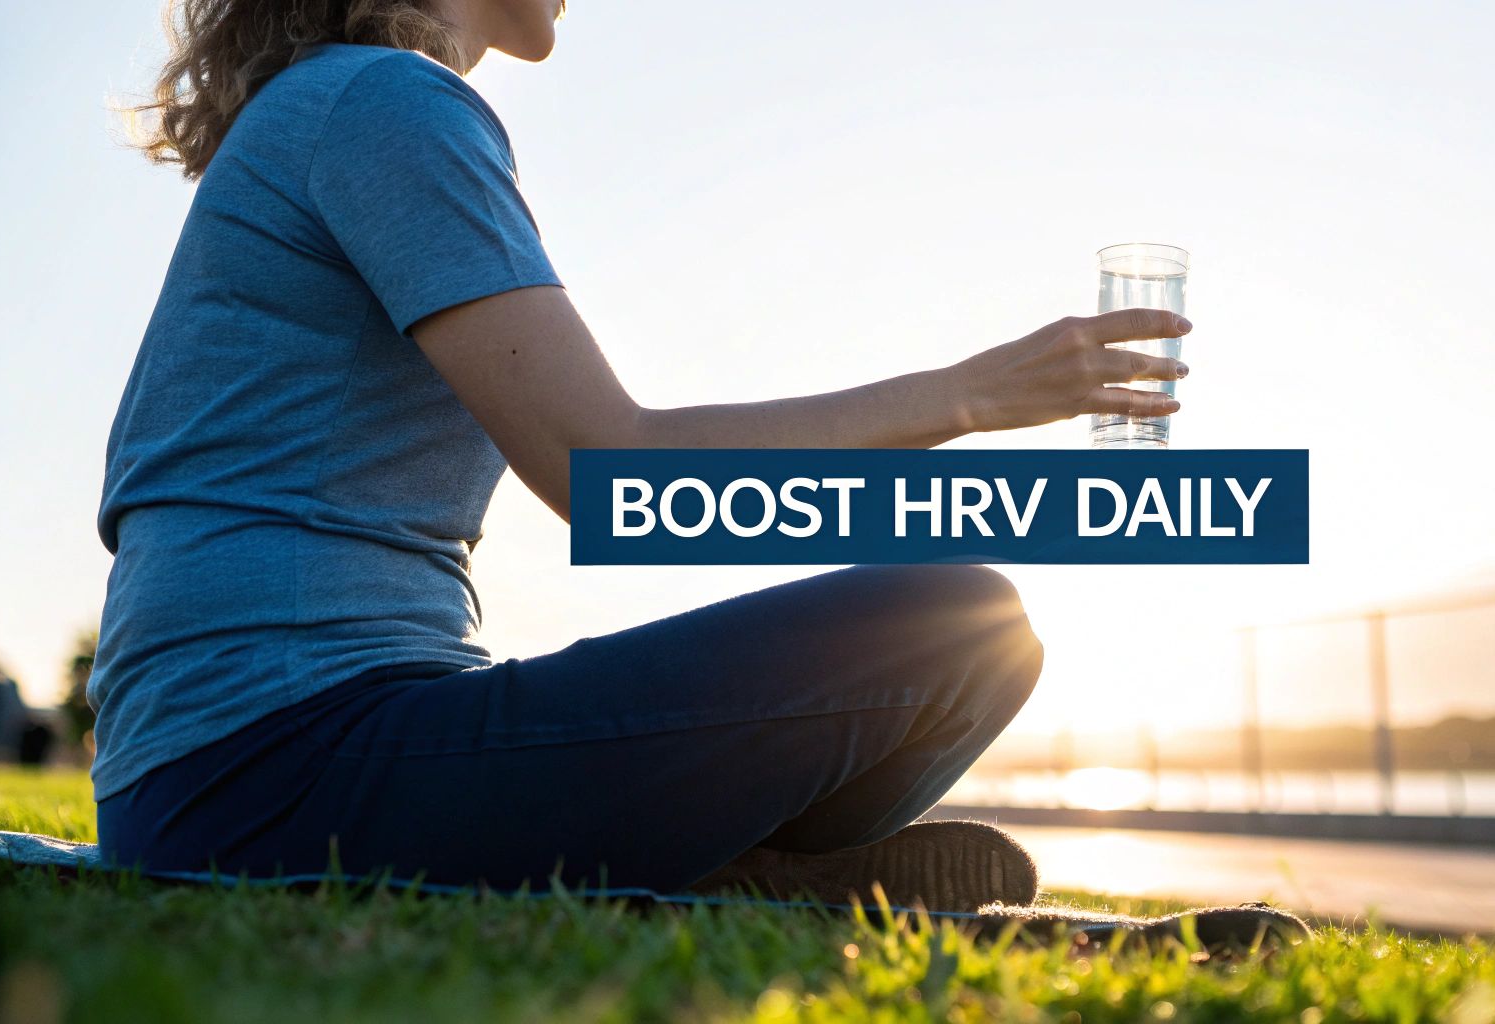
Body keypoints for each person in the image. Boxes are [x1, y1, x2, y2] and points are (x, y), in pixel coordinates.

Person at [90, 0, 1305, 943]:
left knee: (985, 639)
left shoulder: (341, 105)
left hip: (244, 763)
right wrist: (968, 397)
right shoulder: (383, 102)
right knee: (958, 624)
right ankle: (749, 870)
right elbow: (607, 472)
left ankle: (736, 869)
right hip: (269, 770)